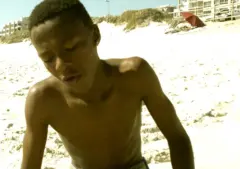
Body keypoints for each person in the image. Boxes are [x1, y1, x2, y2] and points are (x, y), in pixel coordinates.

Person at [21, 0, 195, 169]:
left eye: (71, 48)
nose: (60, 65)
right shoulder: (42, 99)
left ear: (95, 36)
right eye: (48, 58)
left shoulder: (134, 75)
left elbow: (177, 137)